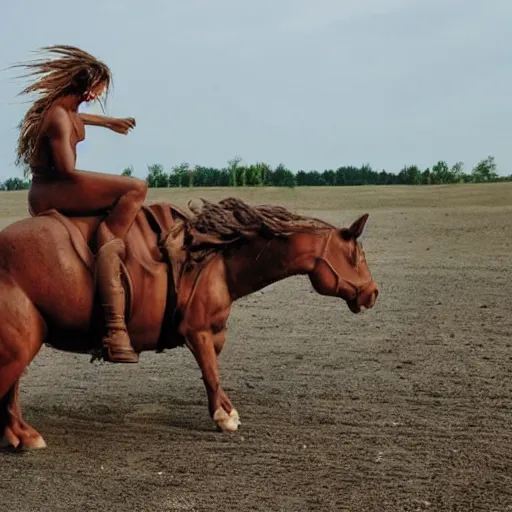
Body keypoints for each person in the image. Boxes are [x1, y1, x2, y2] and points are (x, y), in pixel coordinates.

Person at [13, 45, 147, 363]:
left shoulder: (66, 109)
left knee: (123, 188)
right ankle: (109, 242)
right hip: (54, 189)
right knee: (135, 188)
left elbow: (79, 116)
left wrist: (109, 122)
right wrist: (107, 184)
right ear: (87, 89)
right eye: (98, 90)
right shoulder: (58, 118)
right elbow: (68, 171)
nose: (98, 96)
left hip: (56, 185)